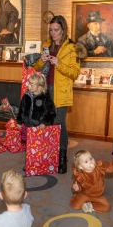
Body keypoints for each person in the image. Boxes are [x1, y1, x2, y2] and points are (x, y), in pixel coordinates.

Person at [33, 15, 81, 174]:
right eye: (51, 30)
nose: (53, 33)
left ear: (63, 29)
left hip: (62, 91)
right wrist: (41, 60)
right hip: (46, 90)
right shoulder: (46, 44)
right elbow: (37, 67)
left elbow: (74, 73)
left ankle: (62, 158)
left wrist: (59, 64)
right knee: (46, 122)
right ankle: (49, 155)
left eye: (56, 30)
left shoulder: (72, 47)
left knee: (59, 124)